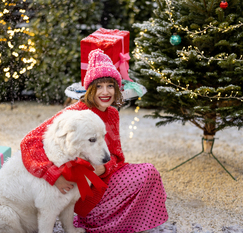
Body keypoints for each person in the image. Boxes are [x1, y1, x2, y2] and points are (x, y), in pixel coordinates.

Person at [20, 49, 168, 232]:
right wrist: (52, 175)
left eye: (110, 86)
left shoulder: (112, 114)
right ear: (90, 89)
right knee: (145, 173)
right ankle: (96, 220)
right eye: (99, 86)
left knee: (149, 173)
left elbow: (117, 156)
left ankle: (123, 222)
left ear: (117, 88)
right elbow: (28, 142)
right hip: (79, 188)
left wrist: (104, 167)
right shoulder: (76, 113)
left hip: (103, 177)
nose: (105, 92)